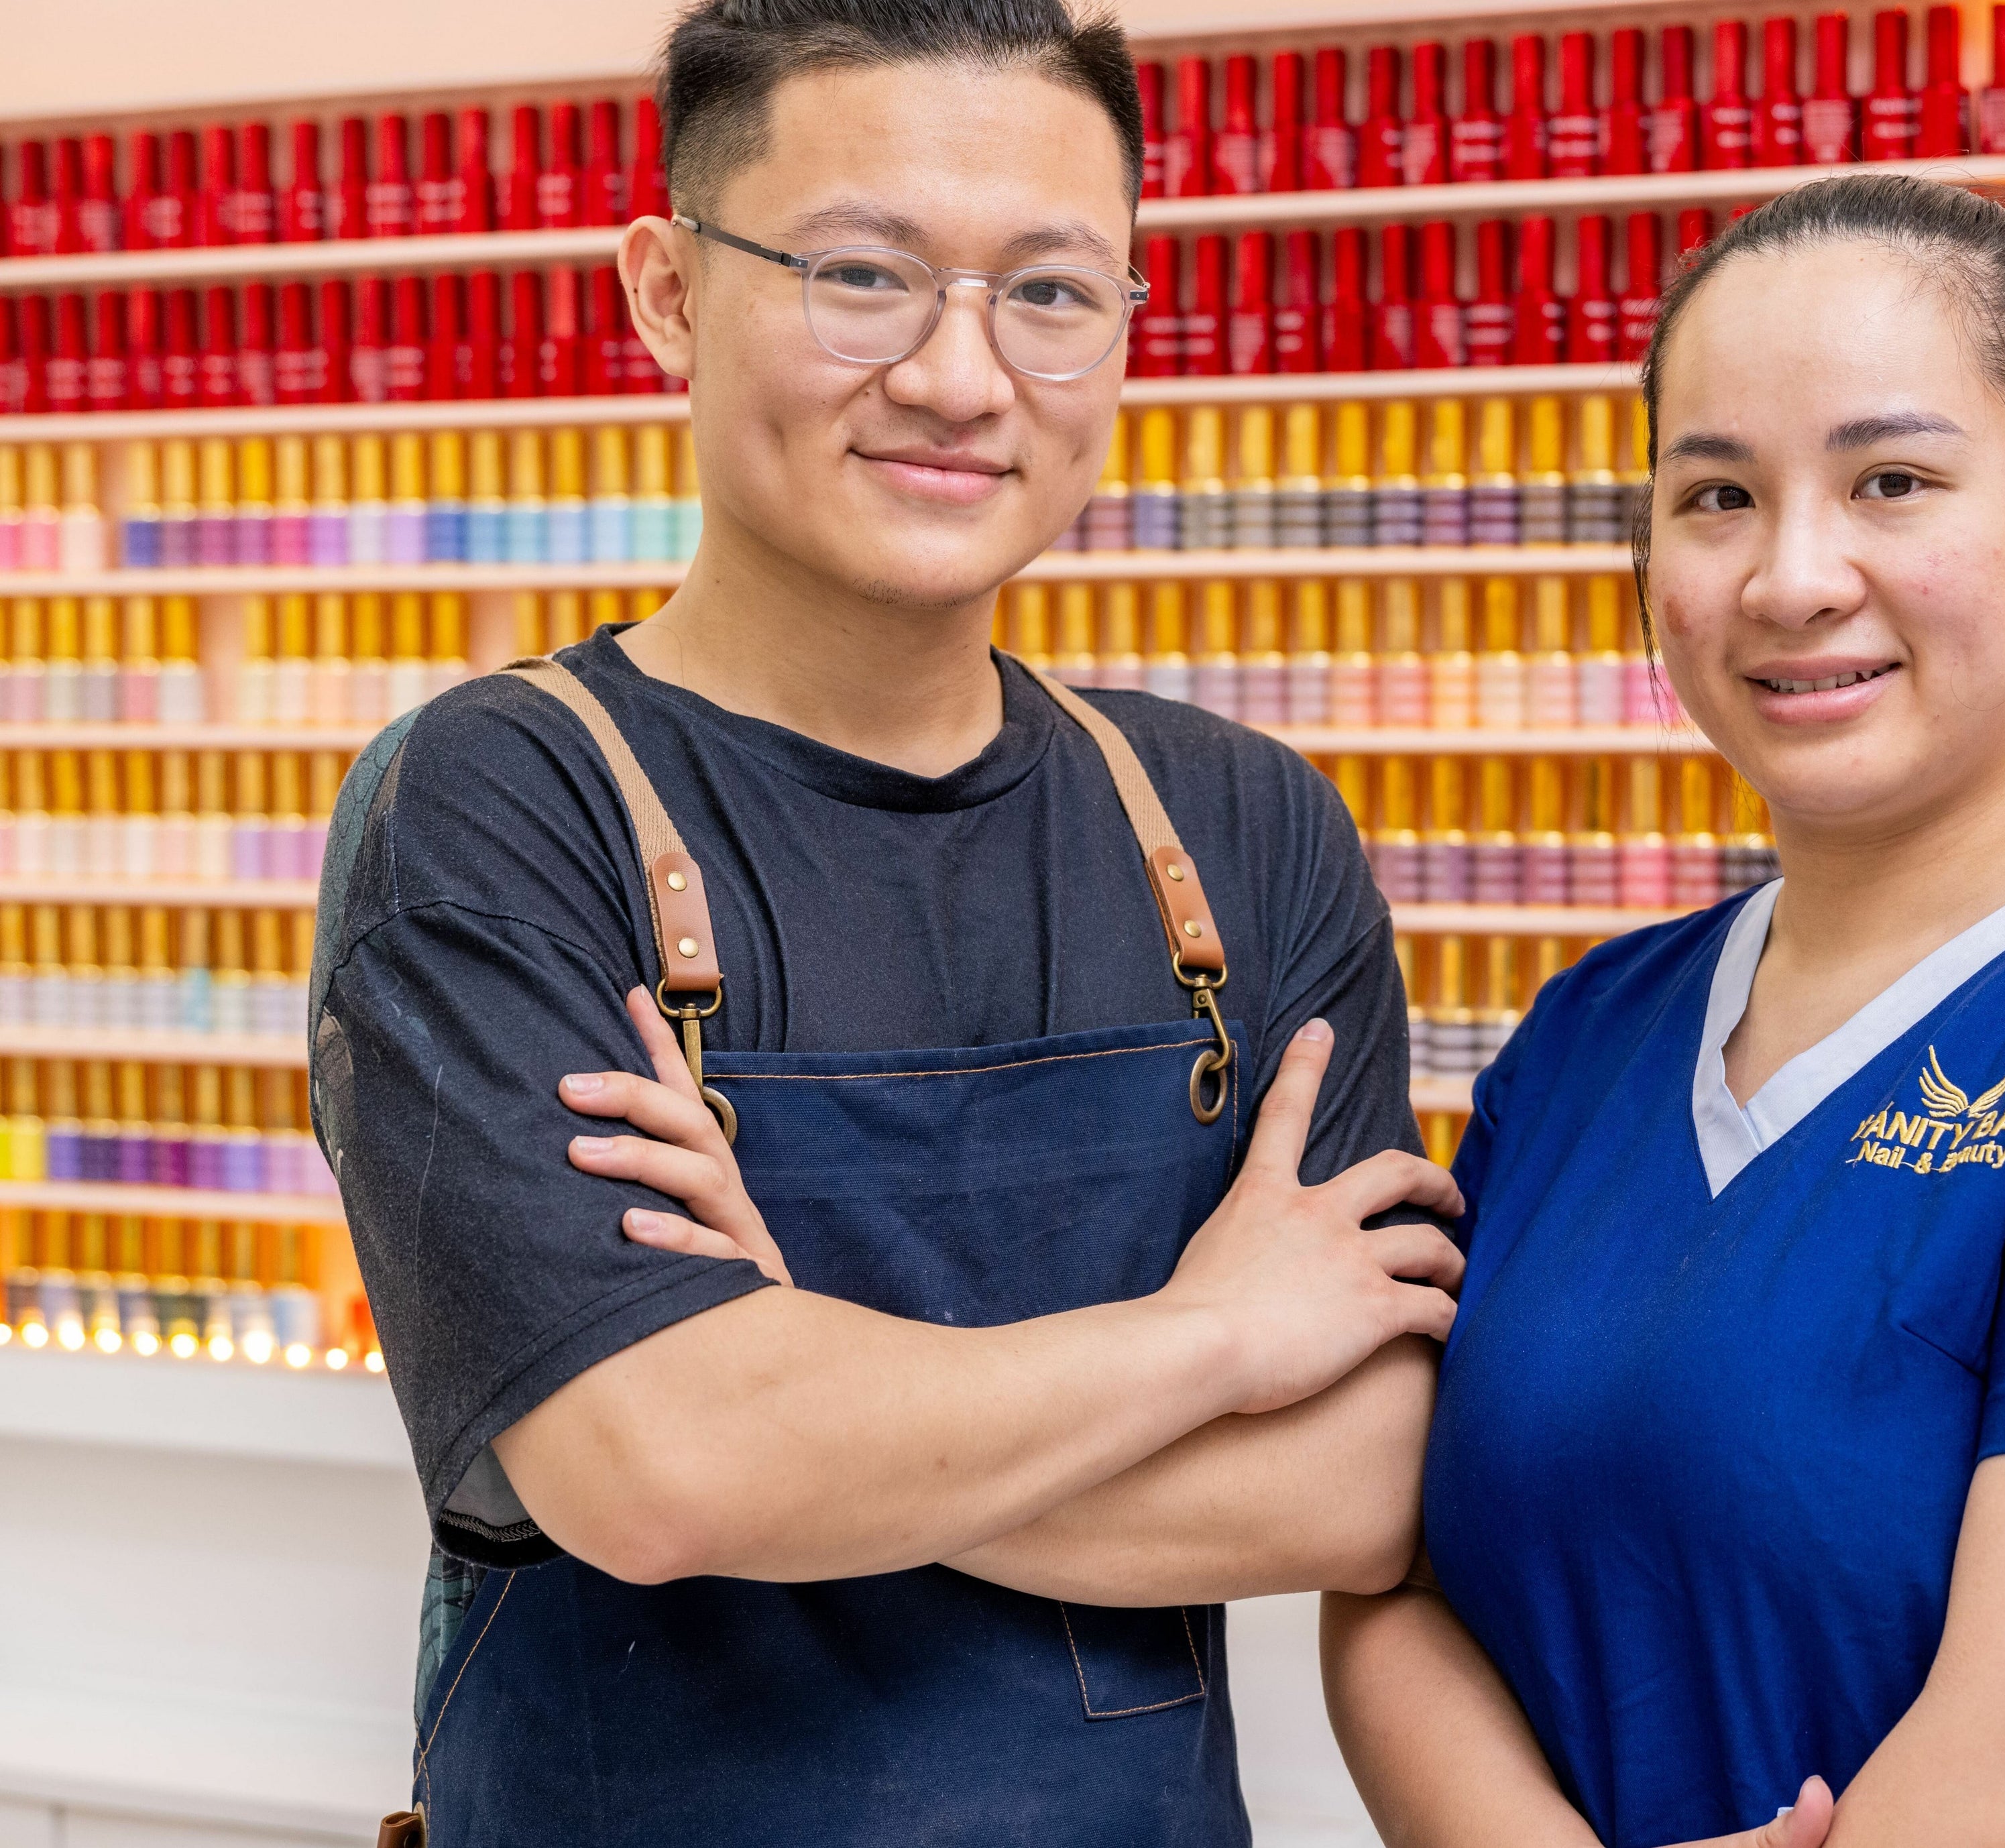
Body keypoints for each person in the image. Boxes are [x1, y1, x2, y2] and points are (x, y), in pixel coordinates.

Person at [308, 4, 1461, 1843]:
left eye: (1052, 292)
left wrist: (798, 1399)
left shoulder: (1246, 831)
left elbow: (1375, 1483)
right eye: (863, 275)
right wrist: (1215, 1341)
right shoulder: (496, 806)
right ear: (669, 292)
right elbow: (660, 1467)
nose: (960, 374)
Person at [1317, 175, 2005, 1848]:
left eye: (1892, 480)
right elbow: (1396, 1577)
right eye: (1718, 495)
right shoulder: (1592, 1029)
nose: (1793, 576)